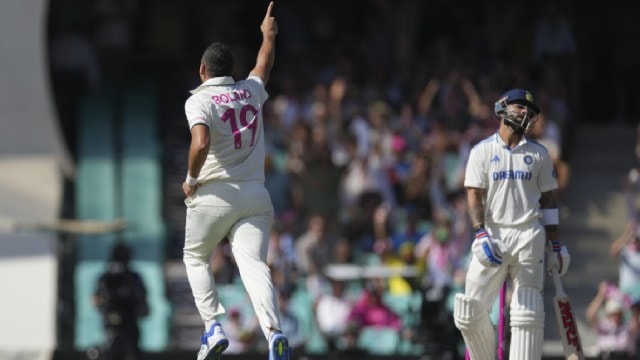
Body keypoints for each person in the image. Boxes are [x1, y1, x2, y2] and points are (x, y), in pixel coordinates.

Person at [180, 3, 289, 360]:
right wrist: (267, 36)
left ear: (202, 71)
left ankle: (212, 328)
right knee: (254, 265)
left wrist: (191, 179)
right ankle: (274, 333)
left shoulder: (199, 100)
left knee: (195, 257)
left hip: (214, 193)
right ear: (232, 70)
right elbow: (265, 63)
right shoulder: (250, 91)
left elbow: (201, 142)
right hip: (256, 196)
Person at [452, 89, 570, 360]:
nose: (525, 113)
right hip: (493, 234)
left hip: (528, 233)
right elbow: (474, 195)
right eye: (519, 107)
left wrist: (556, 244)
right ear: (501, 108)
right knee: (468, 312)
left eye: (529, 110)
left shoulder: (539, 153)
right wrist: (480, 233)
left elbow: (549, 200)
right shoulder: (482, 151)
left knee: (527, 314)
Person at [93, 242, 149, 360]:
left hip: (129, 322)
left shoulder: (132, 278)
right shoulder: (107, 278)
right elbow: (98, 299)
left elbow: (142, 301)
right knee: (112, 350)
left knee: (130, 351)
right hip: (113, 323)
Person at [586, 281, 638, 359]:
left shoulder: (627, 328)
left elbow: (636, 322)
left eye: (618, 313)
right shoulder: (602, 326)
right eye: (613, 314)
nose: (615, 316)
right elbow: (591, 315)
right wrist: (601, 295)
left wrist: (631, 304)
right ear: (608, 314)